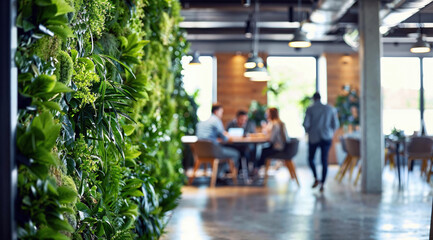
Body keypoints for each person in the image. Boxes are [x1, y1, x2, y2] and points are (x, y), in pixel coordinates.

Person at [303, 92, 340, 192]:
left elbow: (306, 124)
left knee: (311, 159)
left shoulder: (310, 109)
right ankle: (322, 183)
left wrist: (308, 132)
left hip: (313, 137)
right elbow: (335, 124)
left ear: (313, 99)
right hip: (326, 137)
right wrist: (330, 133)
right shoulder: (329, 108)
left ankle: (316, 178)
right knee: (324, 160)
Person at [196, 103, 240, 183]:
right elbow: (225, 138)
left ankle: (218, 176)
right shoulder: (216, 120)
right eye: (221, 112)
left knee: (222, 152)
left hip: (201, 152)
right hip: (213, 151)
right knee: (235, 154)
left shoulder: (202, 122)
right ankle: (224, 174)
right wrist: (228, 136)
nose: (222, 115)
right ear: (216, 112)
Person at [254, 108, 289, 176]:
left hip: (278, 147)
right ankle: (256, 168)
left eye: (267, 113)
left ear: (271, 114)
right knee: (263, 149)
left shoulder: (275, 124)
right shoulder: (278, 122)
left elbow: (271, 139)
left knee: (263, 151)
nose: (266, 115)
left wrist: (265, 131)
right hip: (282, 146)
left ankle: (256, 169)